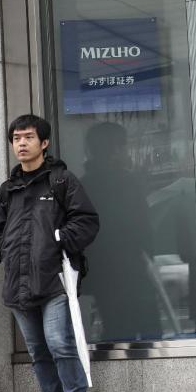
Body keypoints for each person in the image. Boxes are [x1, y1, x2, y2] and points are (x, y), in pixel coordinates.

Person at [0, 114, 101, 392]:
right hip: (18, 284)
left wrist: (57, 241)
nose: (20, 143)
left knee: (60, 344)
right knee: (38, 351)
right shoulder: (8, 189)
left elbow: (87, 220)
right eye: (16, 138)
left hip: (53, 280)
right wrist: (5, 249)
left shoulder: (61, 181)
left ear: (44, 143)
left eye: (27, 137)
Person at [79, 122, 160, 341]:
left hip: (102, 274)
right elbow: (141, 227)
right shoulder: (127, 183)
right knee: (148, 332)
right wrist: (150, 258)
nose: (127, 151)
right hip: (130, 271)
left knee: (116, 332)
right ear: (114, 150)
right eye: (125, 146)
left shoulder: (83, 185)